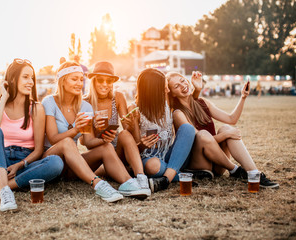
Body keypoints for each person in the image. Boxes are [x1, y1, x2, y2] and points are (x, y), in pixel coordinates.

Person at [42, 61, 151, 202]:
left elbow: (87, 141)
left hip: (71, 165)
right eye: (74, 79)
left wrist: (104, 140)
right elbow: (52, 139)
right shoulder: (49, 101)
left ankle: (128, 183)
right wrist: (76, 129)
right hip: (52, 160)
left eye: (81, 79)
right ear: (62, 81)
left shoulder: (85, 107)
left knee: (106, 147)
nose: (79, 83)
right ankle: (99, 184)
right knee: (68, 142)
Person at [0, 59, 64, 211]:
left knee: (56, 163)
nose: (30, 82)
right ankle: (5, 190)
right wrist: (4, 97)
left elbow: (38, 150)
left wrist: (19, 164)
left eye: (32, 78)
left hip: (24, 164)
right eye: (25, 77)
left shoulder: (36, 109)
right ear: (12, 79)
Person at [167, 71, 279, 188]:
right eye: (176, 86)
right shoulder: (178, 113)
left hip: (218, 164)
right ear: (173, 94)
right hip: (200, 164)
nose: (182, 85)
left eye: (182, 80)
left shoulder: (203, 102)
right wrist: (226, 135)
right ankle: (235, 169)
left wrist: (243, 97)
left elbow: (232, 119)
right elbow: (200, 139)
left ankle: (254, 174)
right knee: (205, 134)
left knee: (225, 128)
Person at [126, 68, 196, 193]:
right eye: (164, 88)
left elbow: (187, 99)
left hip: (172, 155)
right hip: (149, 158)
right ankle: (180, 174)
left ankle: (166, 180)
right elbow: (134, 148)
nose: (168, 90)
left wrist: (198, 90)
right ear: (153, 91)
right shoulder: (134, 109)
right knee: (153, 166)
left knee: (187, 129)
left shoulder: (167, 101)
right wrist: (143, 143)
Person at [84, 61, 150, 192]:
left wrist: (132, 124)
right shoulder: (85, 103)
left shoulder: (118, 97)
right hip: (100, 152)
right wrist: (98, 132)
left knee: (124, 134)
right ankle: (118, 172)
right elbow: (86, 142)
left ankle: (141, 178)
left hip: (118, 152)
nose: (105, 84)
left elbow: (126, 129)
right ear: (93, 81)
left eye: (109, 81)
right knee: (107, 147)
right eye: (100, 80)